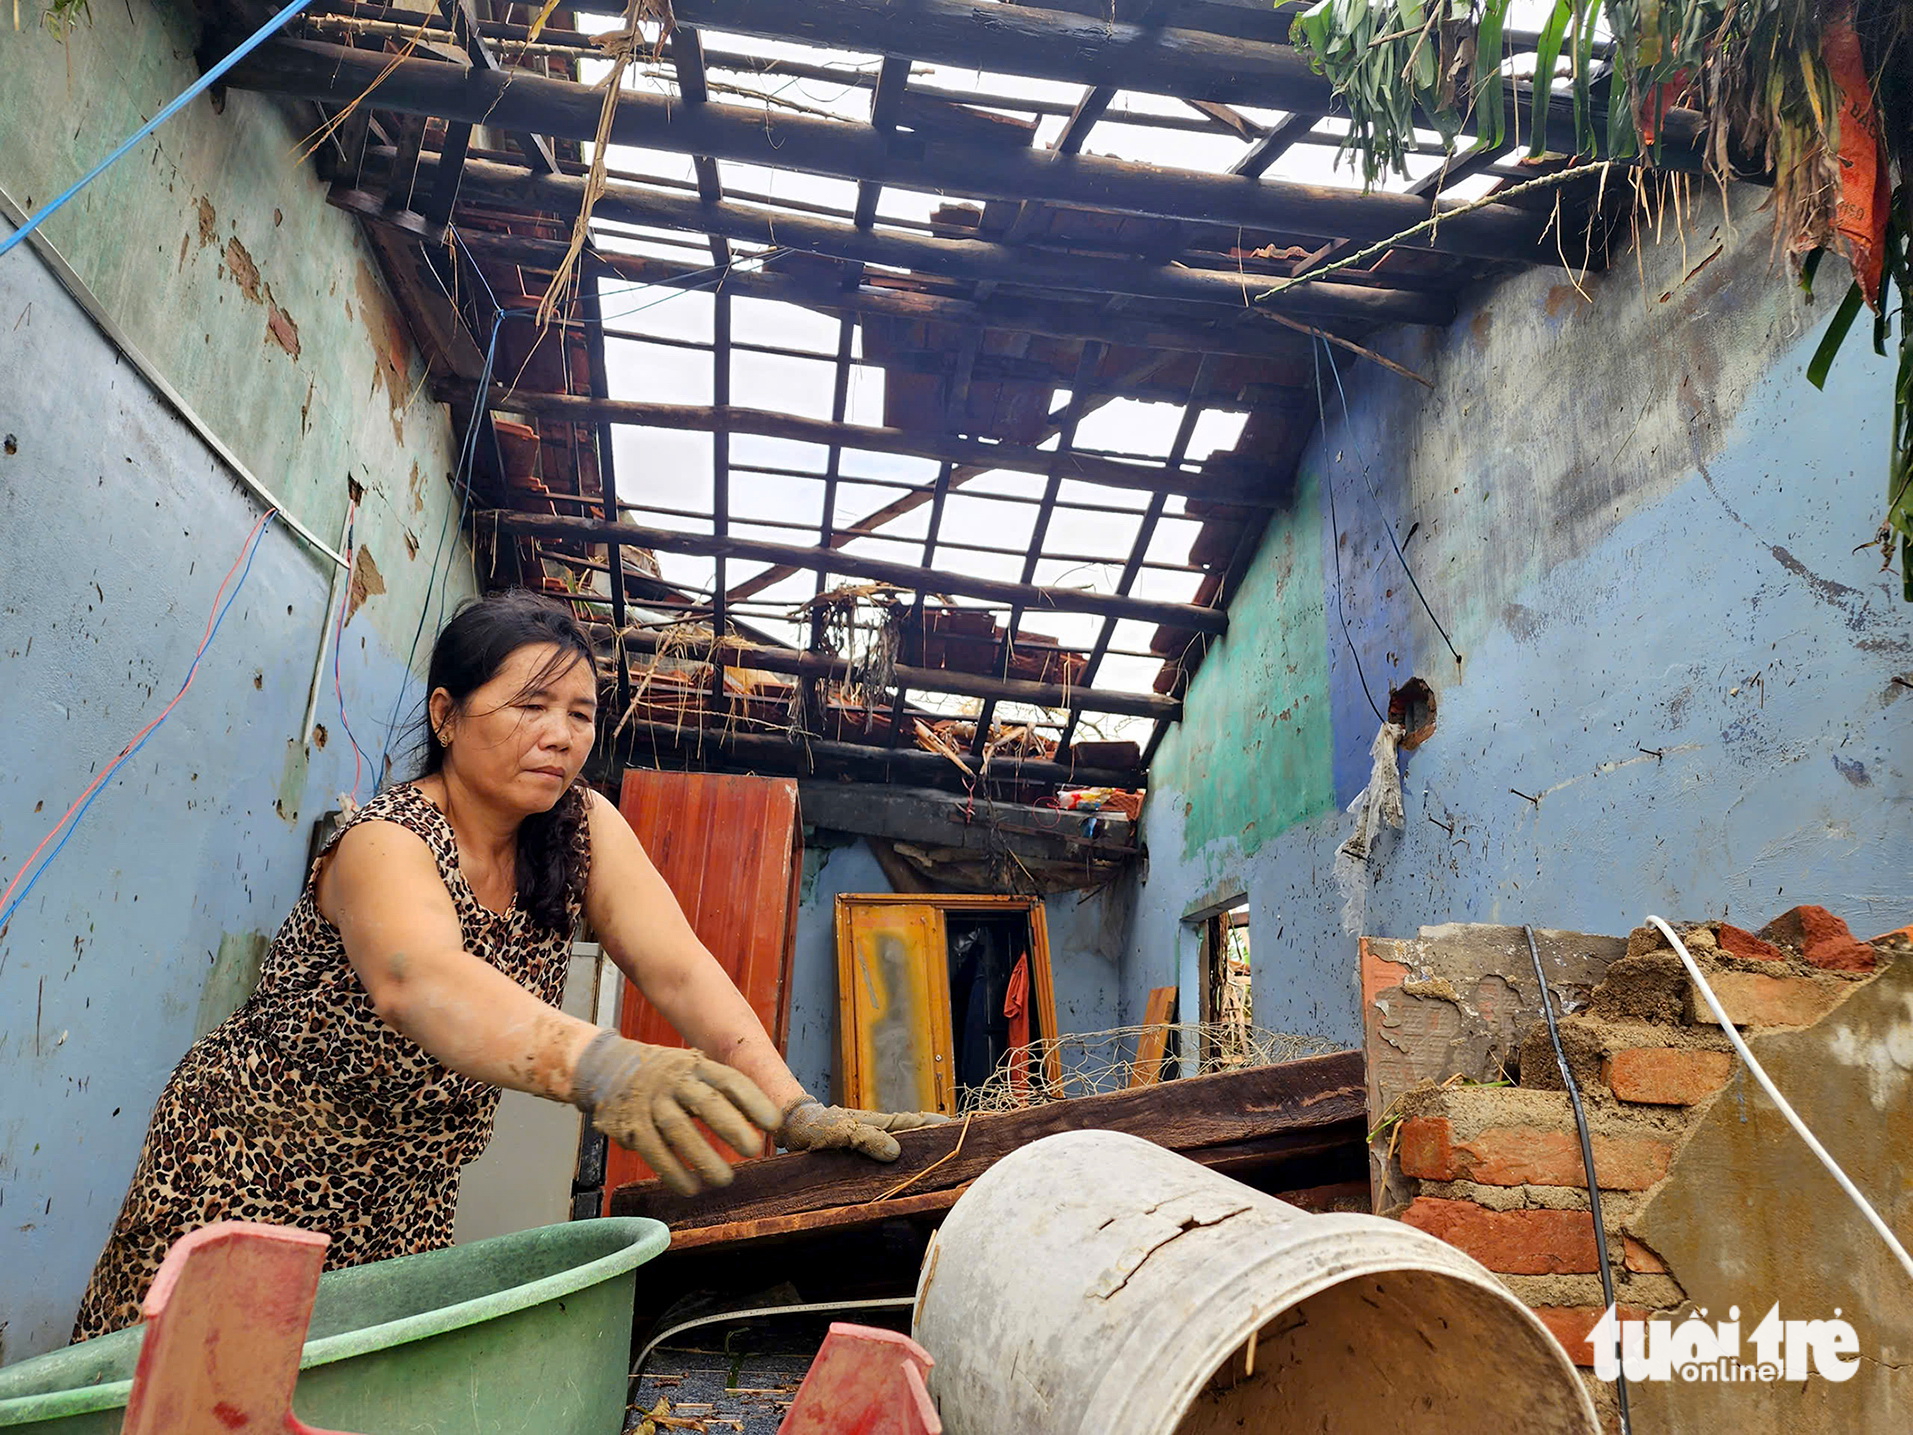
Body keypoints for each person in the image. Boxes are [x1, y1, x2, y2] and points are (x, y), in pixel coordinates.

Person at [73, 590, 940, 1338]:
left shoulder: (581, 825)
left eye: (580, 713)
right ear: (447, 715)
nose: (559, 736)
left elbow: (679, 970)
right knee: (183, 1392)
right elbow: (422, 980)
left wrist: (790, 1109)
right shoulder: (384, 841)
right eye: (529, 706)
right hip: (248, 1168)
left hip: (402, 1202)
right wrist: (602, 1065)